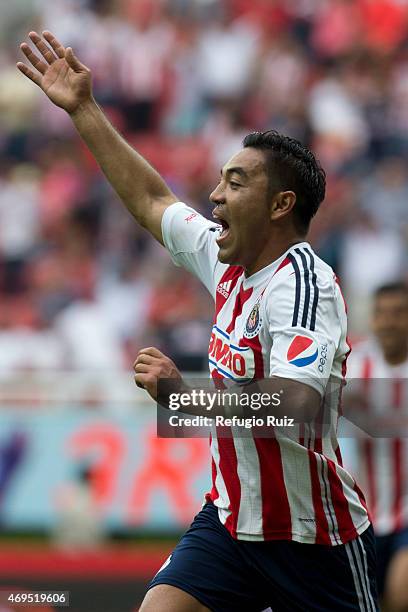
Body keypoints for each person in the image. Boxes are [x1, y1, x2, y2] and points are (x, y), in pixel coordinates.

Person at [17, 31, 378, 611]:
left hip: (312, 538)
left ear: (280, 206)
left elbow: (296, 403)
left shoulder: (305, 285)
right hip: (230, 524)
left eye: (235, 183)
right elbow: (152, 202)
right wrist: (84, 110)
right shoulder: (228, 259)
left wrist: (183, 399)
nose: (214, 195)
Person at [346, 283, 408, 611]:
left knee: (401, 594)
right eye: (382, 314)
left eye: (398, 314)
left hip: (406, 512)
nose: (389, 322)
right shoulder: (358, 366)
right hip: (367, 512)